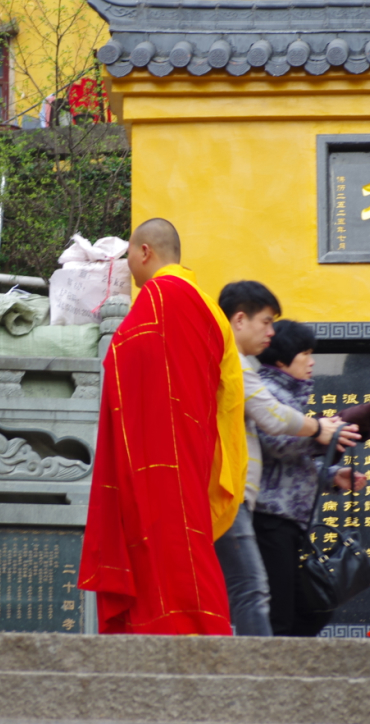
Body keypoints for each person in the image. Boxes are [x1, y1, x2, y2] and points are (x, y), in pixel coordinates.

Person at [78, 219, 247, 635]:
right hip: (197, 448)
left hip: (161, 451)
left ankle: (188, 630)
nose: (128, 269)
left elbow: (122, 357)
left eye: (129, 257)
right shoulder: (209, 307)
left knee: (166, 541)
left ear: (145, 252)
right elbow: (228, 394)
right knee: (185, 541)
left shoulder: (160, 296)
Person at [214, 281, 359, 635]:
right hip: (261, 511)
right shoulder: (248, 372)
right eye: (265, 322)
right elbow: (274, 432)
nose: (270, 331)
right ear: (239, 320)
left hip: (277, 513)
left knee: (281, 600)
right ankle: (263, 676)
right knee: (258, 593)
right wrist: (319, 432)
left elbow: (290, 459)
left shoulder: (269, 381)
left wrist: (329, 473)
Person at [253, 319, 370, 637]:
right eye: (305, 353)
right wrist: (323, 431)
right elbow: (275, 444)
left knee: (311, 608)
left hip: (291, 521)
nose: (312, 362)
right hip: (269, 519)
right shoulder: (266, 392)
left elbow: (291, 466)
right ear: (282, 359)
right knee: (281, 614)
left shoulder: (289, 394)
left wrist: (333, 476)